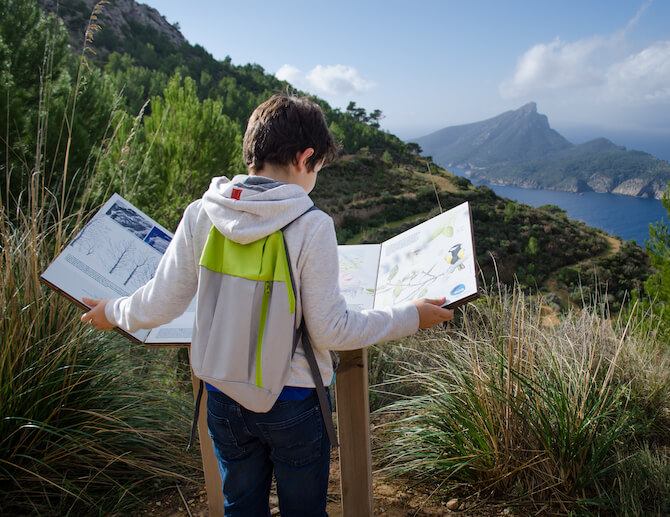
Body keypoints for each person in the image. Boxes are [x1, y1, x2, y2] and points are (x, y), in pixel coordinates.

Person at [80, 93, 453, 516]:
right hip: (292, 403)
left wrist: (111, 312)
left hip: (221, 397)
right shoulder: (311, 226)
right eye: (318, 169)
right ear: (305, 157)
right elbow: (332, 331)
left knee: (240, 505)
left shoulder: (202, 214)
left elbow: (157, 305)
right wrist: (412, 316)